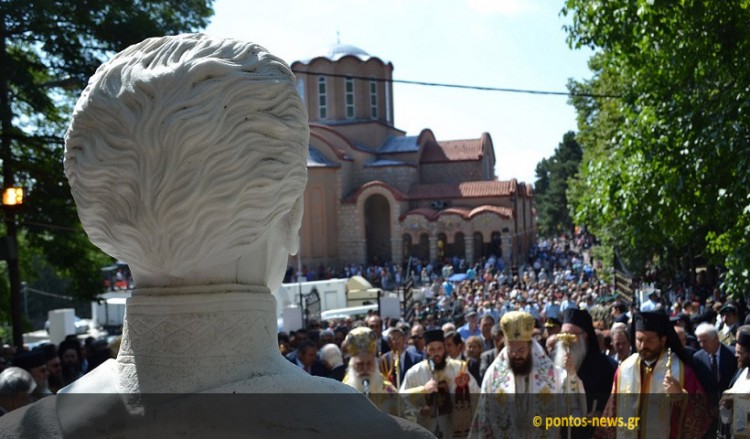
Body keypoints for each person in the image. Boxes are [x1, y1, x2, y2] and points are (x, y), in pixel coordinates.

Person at [594, 311, 712, 438]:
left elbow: (703, 417)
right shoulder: (624, 369)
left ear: (663, 340)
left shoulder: (681, 372)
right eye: (639, 340)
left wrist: (681, 398)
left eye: (650, 340)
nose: (644, 345)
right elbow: (612, 412)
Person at [470, 311, 584, 439]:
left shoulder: (550, 374)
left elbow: (572, 407)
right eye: (511, 350)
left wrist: (572, 374)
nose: (516, 355)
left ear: (531, 348)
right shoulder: (494, 376)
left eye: (521, 350)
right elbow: (483, 421)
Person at [401, 329, 480, 439]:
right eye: (432, 349)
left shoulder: (458, 368)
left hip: (453, 429)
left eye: (439, 348)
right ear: (426, 351)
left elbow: (475, 393)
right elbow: (402, 401)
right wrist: (420, 407)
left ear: (444, 349)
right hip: (425, 428)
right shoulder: (414, 373)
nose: (436, 353)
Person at [342, 327, 398, 413]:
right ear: (352, 365)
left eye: (369, 364)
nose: (365, 369)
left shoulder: (388, 390)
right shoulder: (342, 390)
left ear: (375, 364)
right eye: (360, 364)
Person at [719, 326, 750, 437]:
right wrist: (726, 404)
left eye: (740, 353)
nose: (736, 355)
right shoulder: (741, 372)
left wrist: (738, 401)